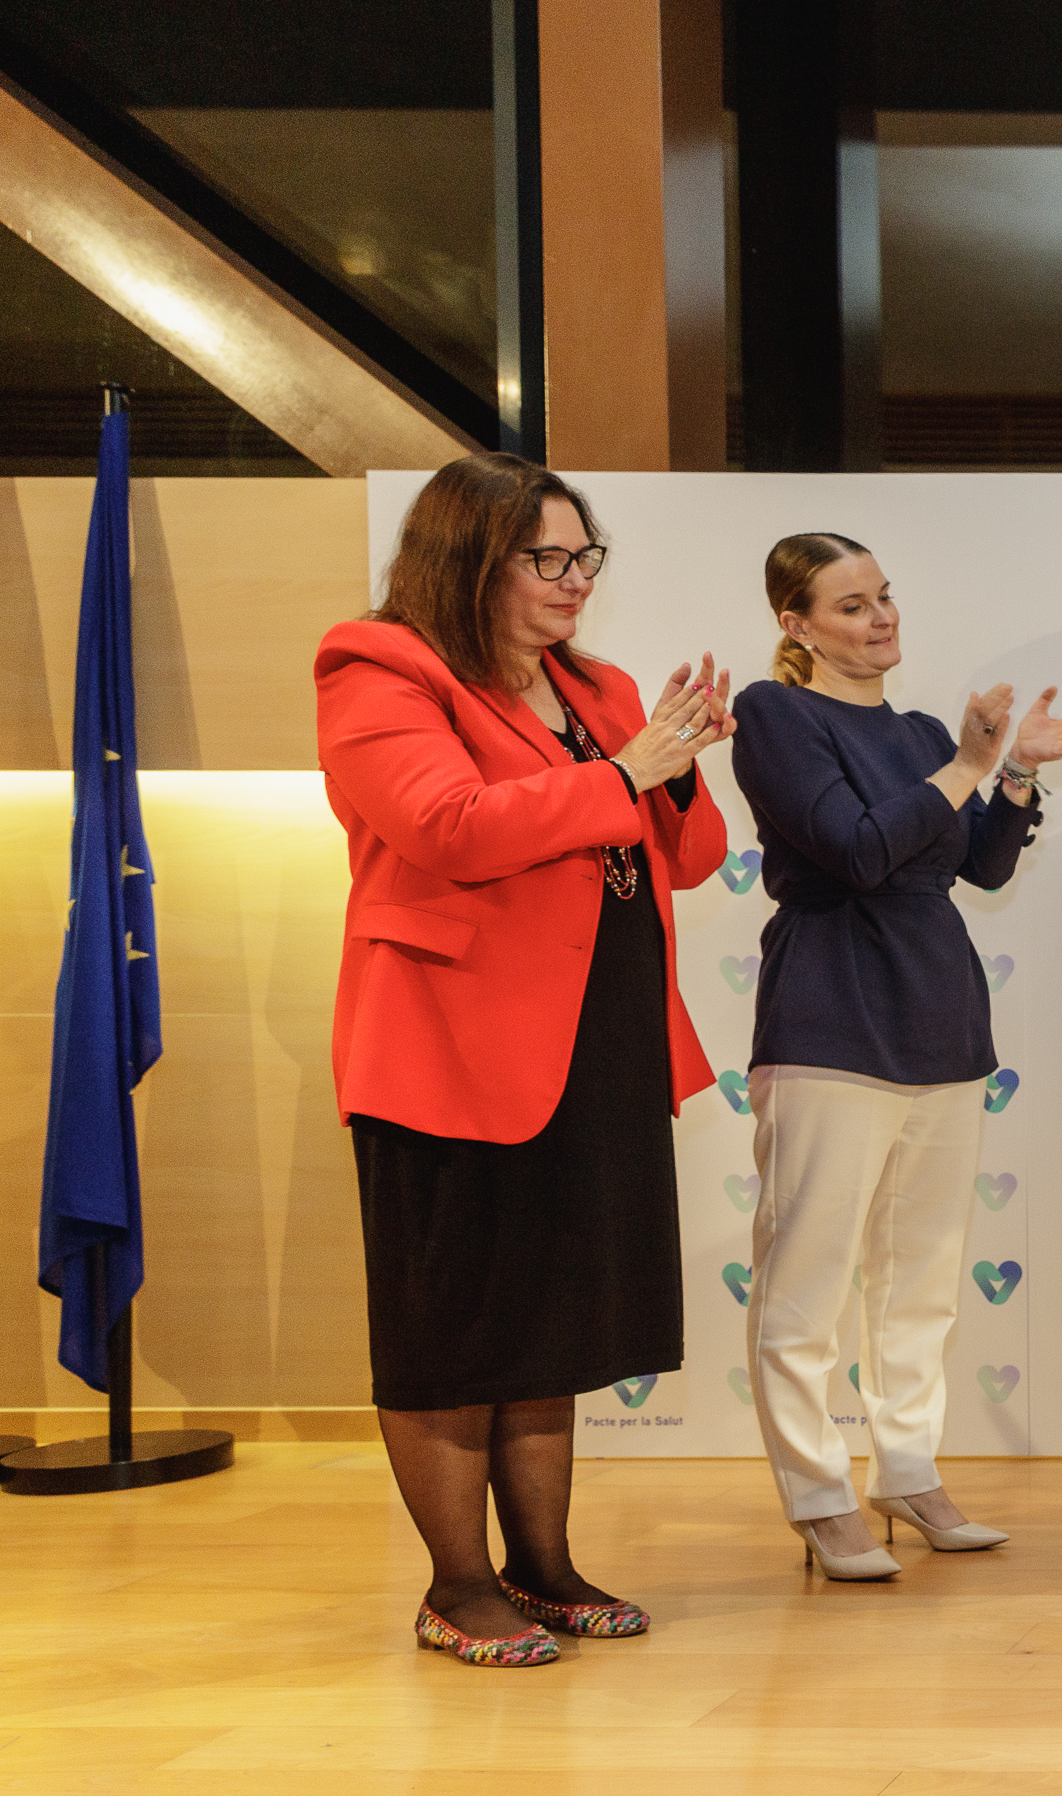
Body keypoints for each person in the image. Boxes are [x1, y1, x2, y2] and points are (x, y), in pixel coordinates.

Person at [315, 452, 734, 1667]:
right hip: (445, 1049)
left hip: (592, 1044)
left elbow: (691, 856)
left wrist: (675, 763)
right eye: (543, 558)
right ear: (467, 560)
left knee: (553, 1318)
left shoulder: (597, 687)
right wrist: (624, 773)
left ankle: (542, 1568)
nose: (573, 579)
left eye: (583, 555)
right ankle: (457, 1586)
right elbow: (443, 826)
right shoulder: (380, 667)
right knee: (453, 1327)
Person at [731, 532, 1062, 1579]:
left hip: (939, 1021)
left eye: (884, 596)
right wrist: (969, 765)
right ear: (797, 625)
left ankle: (905, 1470)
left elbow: (978, 866)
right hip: (830, 1016)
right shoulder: (776, 714)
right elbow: (857, 849)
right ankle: (819, 1496)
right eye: (851, 605)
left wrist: (1016, 773)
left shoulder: (917, 733)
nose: (881, 617)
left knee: (922, 1282)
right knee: (806, 1282)